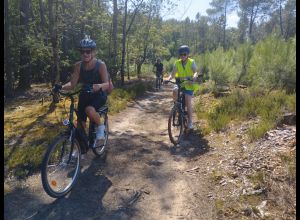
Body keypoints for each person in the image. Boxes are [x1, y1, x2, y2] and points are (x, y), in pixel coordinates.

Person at [53, 36, 109, 144]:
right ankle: (79, 150)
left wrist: (99, 86)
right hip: (84, 94)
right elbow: (72, 84)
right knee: (80, 124)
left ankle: (101, 126)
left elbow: (107, 84)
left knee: (89, 110)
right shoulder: (78, 66)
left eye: (88, 51)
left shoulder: (101, 65)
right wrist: (60, 87)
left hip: (99, 95)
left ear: (93, 52)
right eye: (83, 52)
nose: (85, 54)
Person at [165, 45, 198, 130]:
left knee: (188, 101)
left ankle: (190, 122)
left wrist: (194, 76)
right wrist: (168, 79)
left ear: (187, 54)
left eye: (184, 54)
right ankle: (176, 107)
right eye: (181, 54)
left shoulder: (192, 62)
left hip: (189, 84)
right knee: (175, 90)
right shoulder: (177, 63)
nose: (182, 56)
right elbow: (172, 74)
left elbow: (195, 72)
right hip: (179, 83)